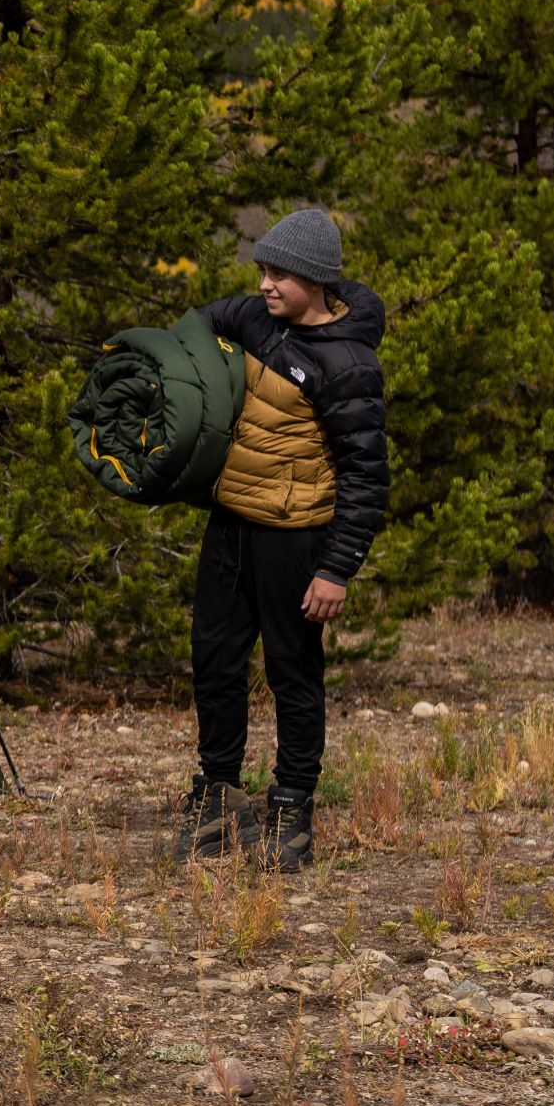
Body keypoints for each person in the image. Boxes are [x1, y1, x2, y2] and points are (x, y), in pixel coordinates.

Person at [179, 207, 387, 871]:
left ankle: (291, 811)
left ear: (317, 280)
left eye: (280, 275)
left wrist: (336, 569)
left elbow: (365, 477)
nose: (266, 285)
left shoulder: (349, 362)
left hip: (296, 541)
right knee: (214, 664)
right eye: (263, 271)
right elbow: (195, 327)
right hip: (231, 526)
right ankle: (217, 795)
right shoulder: (253, 320)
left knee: (292, 674)